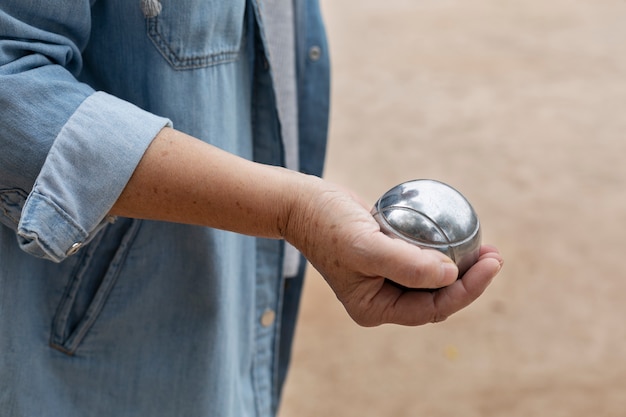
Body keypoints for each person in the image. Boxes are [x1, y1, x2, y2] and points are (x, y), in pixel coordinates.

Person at [0, 1, 503, 416]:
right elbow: (11, 82)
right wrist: (288, 209)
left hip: (235, 299)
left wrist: (291, 207)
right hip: (95, 346)